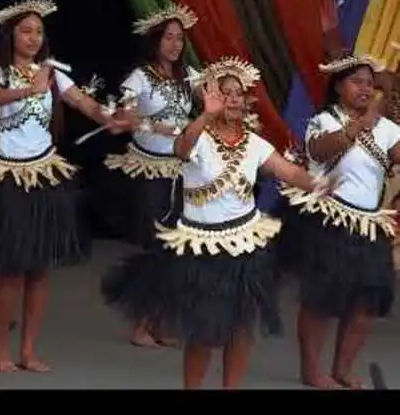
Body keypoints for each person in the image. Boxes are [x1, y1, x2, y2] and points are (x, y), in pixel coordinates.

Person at [110, 57, 331, 389]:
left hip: (244, 244)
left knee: (241, 328)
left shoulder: (255, 144)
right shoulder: (198, 136)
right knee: (204, 331)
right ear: (210, 97)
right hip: (202, 246)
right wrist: (206, 116)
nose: (233, 98)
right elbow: (182, 149)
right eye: (225, 92)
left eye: (238, 93)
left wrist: (316, 183)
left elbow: (287, 171)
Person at [0, 0, 125, 373]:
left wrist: (109, 117)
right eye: (25, 31)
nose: (33, 38)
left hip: (43, 174)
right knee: (9, 268)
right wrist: (31, 89)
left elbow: (84, 103)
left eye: (38, 32)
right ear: (11, 35)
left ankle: (28, 351)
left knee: (39, 268)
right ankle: (0, 350)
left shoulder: (52, 73)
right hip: (7, 176)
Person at [279, 54, 400, 389]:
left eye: (368, 82)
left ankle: (343, 369)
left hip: (369, 223)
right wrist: (361, 125)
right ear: (338, 87)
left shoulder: (387, 128)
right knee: (322, 299)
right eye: (357, 82)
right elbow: (320, 152)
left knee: (366, 300)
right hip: (330, 219)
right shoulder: (325, 120)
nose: (365, 88)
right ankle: (312, 370)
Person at [98, 3, 202, 349]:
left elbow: (212, 102)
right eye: (169, 37)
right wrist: (151, 123)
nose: (175, 44)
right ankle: (141, 325)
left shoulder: (188, 77)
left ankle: (158, 322)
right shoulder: (139, 77)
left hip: (181, 171)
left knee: (176, 248)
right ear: (156, 40)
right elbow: (123, 115)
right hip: (150, 170)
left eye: (180, 38)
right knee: (155, 245)